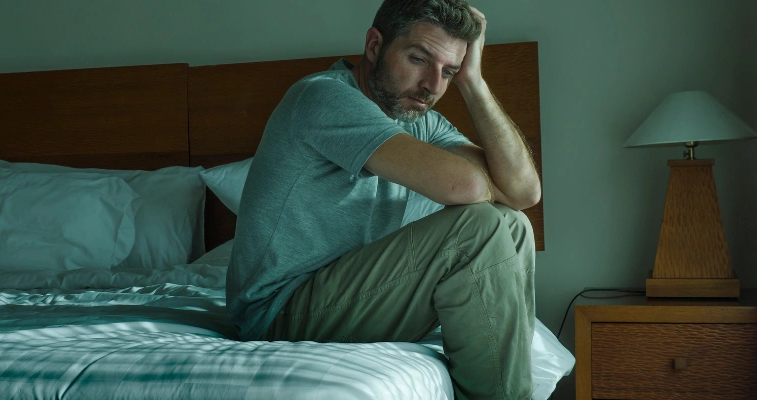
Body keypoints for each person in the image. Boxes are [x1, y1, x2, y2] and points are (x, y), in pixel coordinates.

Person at [227, 0, 541, 398]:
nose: (433, 85)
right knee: (479, 227)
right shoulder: (322, 97)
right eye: (418, 59)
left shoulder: (418, 117)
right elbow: (467, 189)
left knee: (512, 223)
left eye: (449, 72)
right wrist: (487, 185)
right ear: (375, 46)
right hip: (278, 311)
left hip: (349, 295)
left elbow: (525, 192)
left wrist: (473, 82)